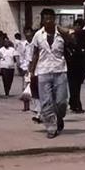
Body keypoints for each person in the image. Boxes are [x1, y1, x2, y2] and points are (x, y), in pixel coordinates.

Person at [29, 8, 71, 139]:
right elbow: (35, 54)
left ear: (54, 19)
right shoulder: (38, 35)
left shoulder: (62, 34)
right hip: (43, 71)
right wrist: (31, 72)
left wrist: (66, 33)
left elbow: (72, 43)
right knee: (46, 102)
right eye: (45, 18)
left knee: (61, 101)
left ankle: (59, 117)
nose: (48, 21)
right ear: (42, 20)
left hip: (60, 70)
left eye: (50, 18)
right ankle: (51, 128)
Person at [66, 19, 85, 113]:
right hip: (77, 65)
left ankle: (75, 104)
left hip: (75, 64)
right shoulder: (83, 37)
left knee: (74, 86)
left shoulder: (78, 36)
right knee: (75, 86)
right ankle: (75, 104)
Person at [19, 27, 35, 112]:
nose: (28, 35)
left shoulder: (35, 44)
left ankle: (35, 106)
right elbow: (21, 56)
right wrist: (21, 67)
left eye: (29, 32)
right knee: (25, 87)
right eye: (26, 33)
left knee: (33, 87)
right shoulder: (22, 44)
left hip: (34, 67)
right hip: (25, 67)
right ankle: (26, 106)